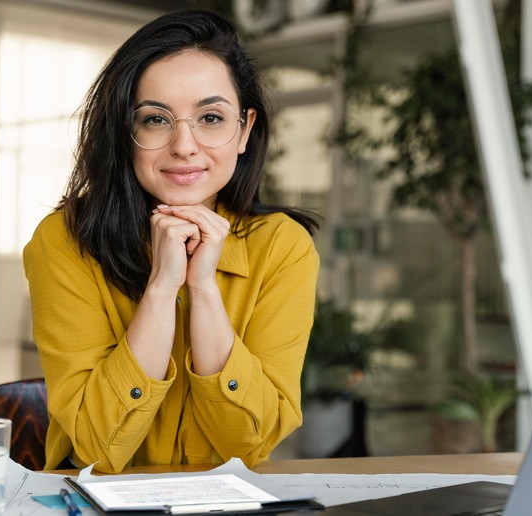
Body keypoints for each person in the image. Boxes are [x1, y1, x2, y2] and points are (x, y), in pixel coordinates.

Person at [23, 8, 319, 473]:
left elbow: (251, 444)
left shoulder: (283, 246)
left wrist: (202, 287)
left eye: (211, 117)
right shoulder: (64, 240)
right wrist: (162, 287)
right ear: (126, 130)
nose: (184, 145)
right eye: (157, 119)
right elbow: (98, 449)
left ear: (244, 130)